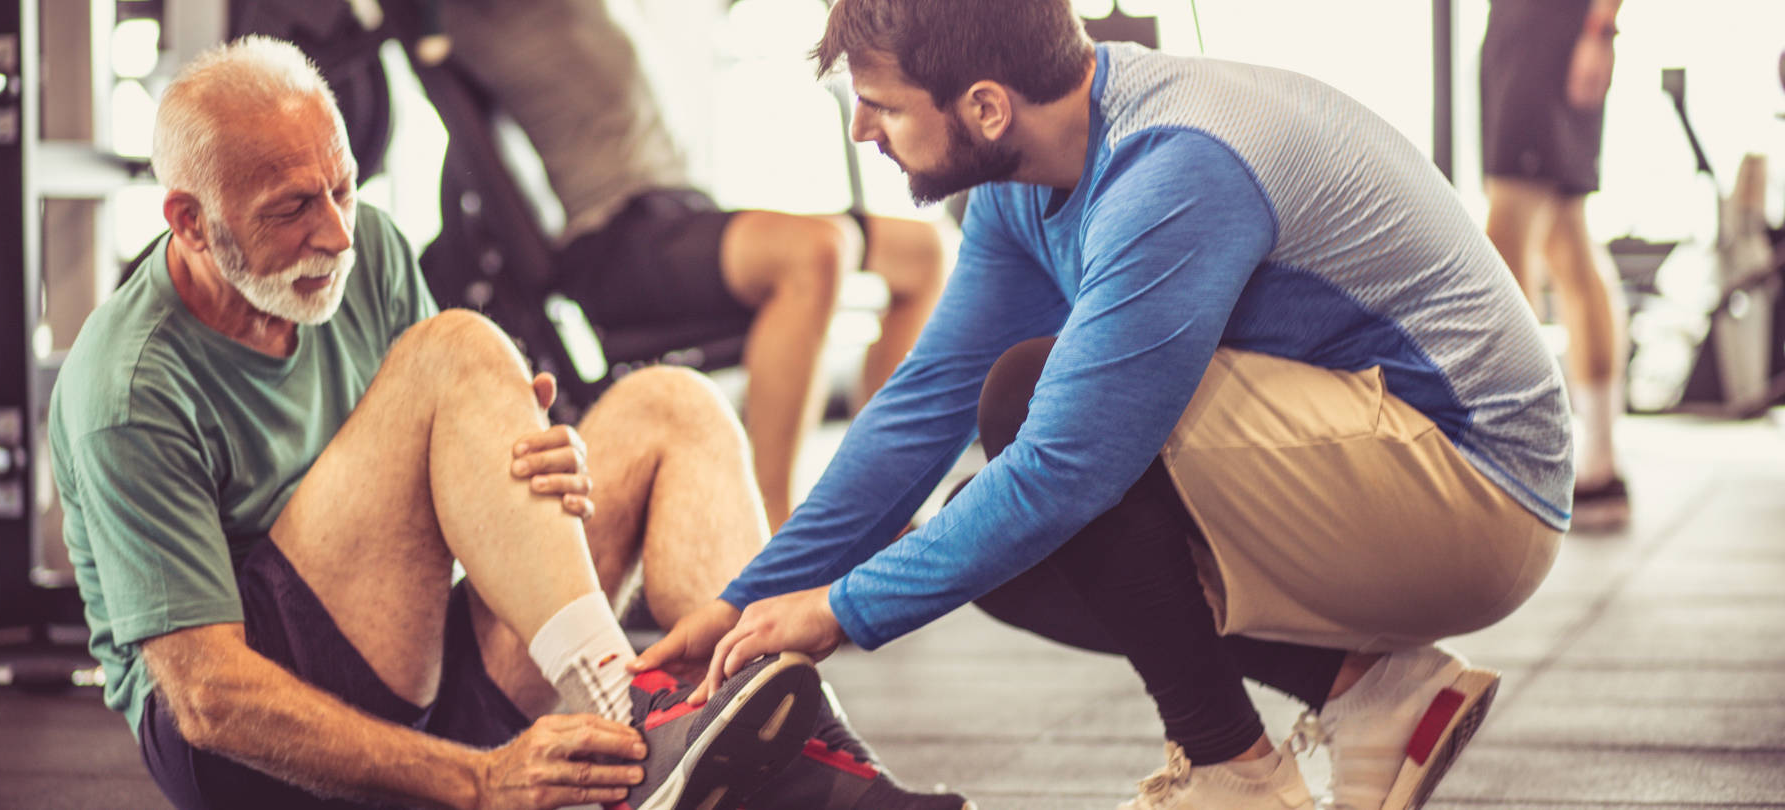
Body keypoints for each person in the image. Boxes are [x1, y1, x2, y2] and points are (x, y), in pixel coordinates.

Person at [633, 2, 1571, 809]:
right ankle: (1371, 693)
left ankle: (1234, 774)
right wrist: (743, 602)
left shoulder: (1174, 170)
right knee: (984, 540)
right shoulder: (1028, 175)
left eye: (879, 106)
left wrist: (838, 611)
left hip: (1483, 494)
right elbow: (925, 402)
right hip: (1376, 453)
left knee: (1034, 423)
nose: (862, 131)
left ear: (987, 108)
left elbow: (1067, 468)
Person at [49, 36, 966, 810]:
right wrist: (479, 781)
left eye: (343, 187)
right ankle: (630, 703)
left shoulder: (361, 258)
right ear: (192, 222)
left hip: (413, 664)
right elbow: (207, 700)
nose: (336, 232)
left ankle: (804, 744)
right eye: (292, 209)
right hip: (256, 760)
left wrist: (533, 468)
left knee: (672, 409)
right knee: (454, 349)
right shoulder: (129, 387)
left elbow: (434, 483)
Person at [436, 0, 956, 528]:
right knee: (819, 250)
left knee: (921, 251)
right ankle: (766, 524)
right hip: (616, 238)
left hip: (680, 211)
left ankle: (875, 501)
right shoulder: (483, 16)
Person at [1481, 0, 1629, 529]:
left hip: (1552, 39)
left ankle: (1517, 453)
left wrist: (1599, 29)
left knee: (1506, 241)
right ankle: (1599, 464)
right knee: (1566, 245)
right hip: (1520, 33)